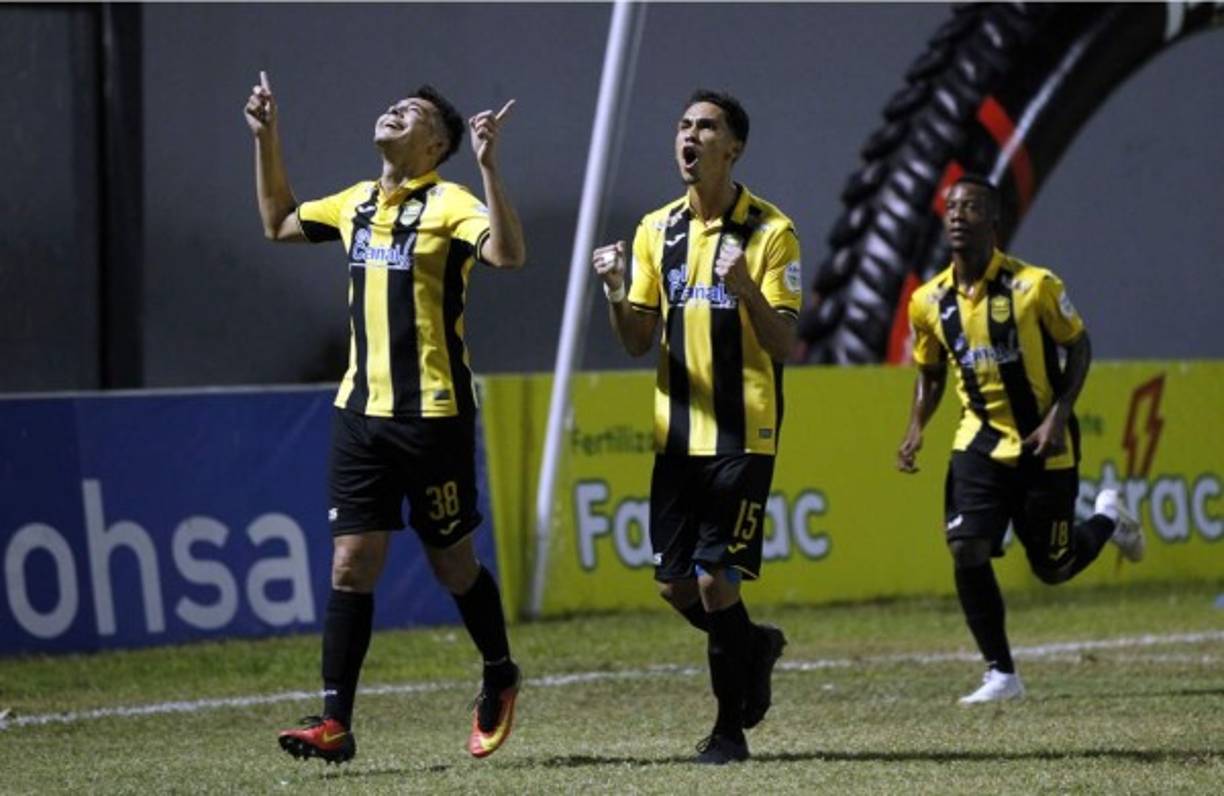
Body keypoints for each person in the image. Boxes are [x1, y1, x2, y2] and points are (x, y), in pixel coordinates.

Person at [243, 71, 526, 763]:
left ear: (435, 145)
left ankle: (499, 672)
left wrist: (490, 168)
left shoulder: (452, 202)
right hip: (358, 414)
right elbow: (279, 221)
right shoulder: (356, 203)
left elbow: (508, 253)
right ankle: (335, 723)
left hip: (433, 415)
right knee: (351, 563)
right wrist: (267, 138)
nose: (396, 110)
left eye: (415, 113)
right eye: (394, 103)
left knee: (452, 564)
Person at [592, 90, 801, 764]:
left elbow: (783, 344)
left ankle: (727, 730)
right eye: (682, 125)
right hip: (677, 436)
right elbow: (635, 339)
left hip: (746, 432)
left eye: (704, 127)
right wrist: (616, 288)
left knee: (715, 581)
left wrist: (745, 290)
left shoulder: (772, 232)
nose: (688, 137)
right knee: (675, 586)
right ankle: (756, 645)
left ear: (732, 146)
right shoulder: (657, 230)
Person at [896, 174, 1144, 704]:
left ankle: (1107, 519)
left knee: (1053, 567)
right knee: (966, 547)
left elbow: (1078, 347)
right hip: (979, 444)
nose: (959, 215)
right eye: (952, 207)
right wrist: (918, 425)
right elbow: (931, 371)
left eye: (972, 207)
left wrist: (1059, 415)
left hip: (1043, 443)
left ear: (993, 220)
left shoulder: (1035, 287)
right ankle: (1001, 673)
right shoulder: (927, 301)